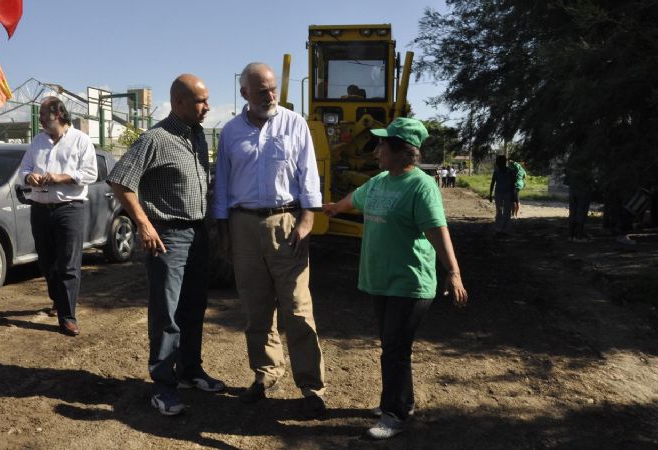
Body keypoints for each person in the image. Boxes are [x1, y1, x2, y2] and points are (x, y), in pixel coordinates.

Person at [322, 117, 468, 440]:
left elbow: (437, 230)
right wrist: (334, 208)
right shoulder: (379, 182)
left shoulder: (421, 186)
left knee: (395, 348)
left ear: (403, 151)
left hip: (410, 282)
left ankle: (395, 414)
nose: (377, 151)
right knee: (393, 345)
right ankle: (404, 401)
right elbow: (355, 199)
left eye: (383, 145)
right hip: (381, 281)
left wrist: (453, 271)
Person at [214, 62, 326, 420]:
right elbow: (223, 181)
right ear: (244, 92)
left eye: (273, 88)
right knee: (256, 308)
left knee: (297, 309)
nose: (270, 95)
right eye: (261, 90)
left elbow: (309, 173)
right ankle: (266, 372)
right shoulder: (230, 132)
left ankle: (311, 387)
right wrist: (222, 228)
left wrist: (308, 219)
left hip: (286, 223)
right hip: (243, 224)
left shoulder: (295, 124)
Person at [107, 74, 225, 416]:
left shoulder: (198, 136)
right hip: (168, 237)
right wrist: (144, 224)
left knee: (194, 306)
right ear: (178, 103)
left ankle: (190, 371)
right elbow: (120, 180)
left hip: (198, 235)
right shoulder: (155, 139)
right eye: (201, 101)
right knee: (166, 313)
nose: (207, 107)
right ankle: (163, 386)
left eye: (206, 100)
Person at [20, 96, 97, 337]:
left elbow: (90, 173)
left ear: (59, 115)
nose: (40, 120)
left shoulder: (81, 140)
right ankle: (58, 298)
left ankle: (67, 317)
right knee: (46, 261)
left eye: (44, 115)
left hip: (69, 209)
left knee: (68, 263)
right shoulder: (37, 141)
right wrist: (29, 177)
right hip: (40, 208)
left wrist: (59, 177)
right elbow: (23, 170)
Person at [489, 155, 516, 236]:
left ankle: (505, 230)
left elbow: (513, 184)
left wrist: (513, 195)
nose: (498, 164)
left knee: (507, 212)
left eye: (499, 162)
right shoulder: (496, 172)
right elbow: (493, 183)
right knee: (499, 211)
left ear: (504, 162)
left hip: (508, 193)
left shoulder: (510, 171)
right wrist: (490, 194)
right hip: (498, 193)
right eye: (497, 163)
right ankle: (498, 229)